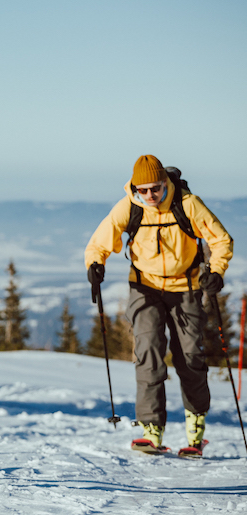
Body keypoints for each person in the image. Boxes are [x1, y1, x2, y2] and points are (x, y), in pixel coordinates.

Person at [85, 155, 233, 452]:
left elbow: (221, 240)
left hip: (186, 287)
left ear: (165, 183)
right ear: (135, 189)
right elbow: (99, 242)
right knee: (149, 352)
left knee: (190, 357)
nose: (150, 196)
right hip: (145, 287)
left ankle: (195, 426)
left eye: (155, 188)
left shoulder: (188, 204)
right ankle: (151, 429)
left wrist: (216, 271)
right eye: (143, 190)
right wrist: (94, 264)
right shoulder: (129, 206)